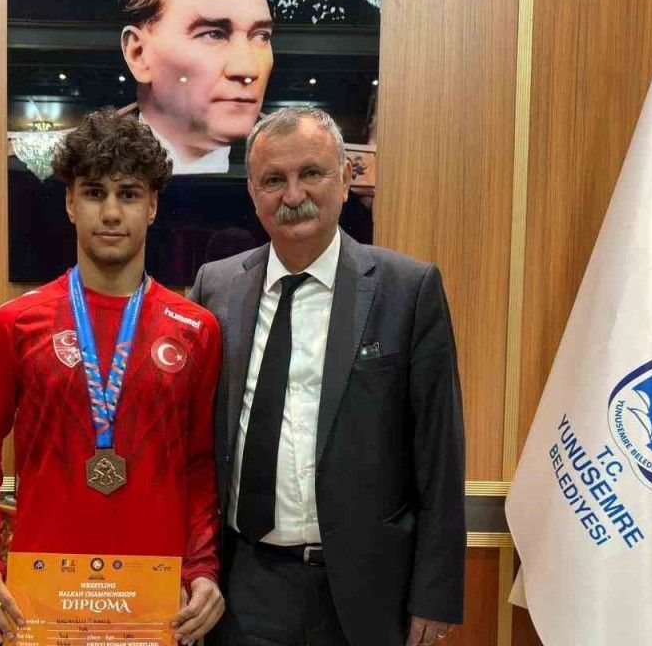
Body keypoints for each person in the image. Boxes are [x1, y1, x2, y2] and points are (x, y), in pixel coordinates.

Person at [188, 107, 466, 646]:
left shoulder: (408, 290)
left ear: (344, 179)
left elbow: (440, 453)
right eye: (274, 180)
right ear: (253, 193)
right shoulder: (215, 288)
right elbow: (183, 428)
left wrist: (435, 594)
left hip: (369, 590)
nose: (293, 195)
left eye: (311, 173)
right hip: (243, 586)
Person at [0, 109, 225, 645]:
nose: (112, 212)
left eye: (129, 194)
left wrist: (203, 568)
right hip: (41, 601)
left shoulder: (197, 330)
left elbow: (200, 465)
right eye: (95, 193)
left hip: (157, 603)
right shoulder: (17, 323)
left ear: (152, 205)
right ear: (70, 203)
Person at [118, 0, 273, 175]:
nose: (248, 69)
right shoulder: (71, 162)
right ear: (138, 54)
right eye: (213, 34)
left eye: (261, 36)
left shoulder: (302, 158)